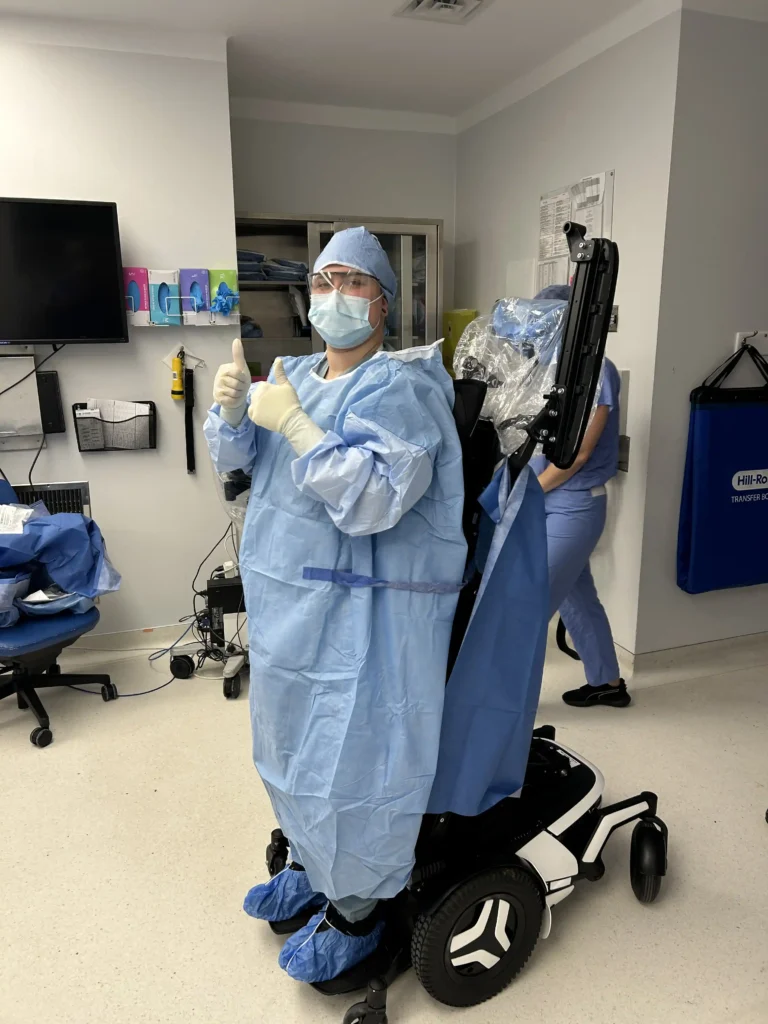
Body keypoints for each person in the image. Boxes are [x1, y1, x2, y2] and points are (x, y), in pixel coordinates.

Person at [204, 227, 467, 983]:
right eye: (324, 281)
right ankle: (310, 861)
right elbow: (239, 469)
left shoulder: (405, 389)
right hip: (288, 607)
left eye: (354, 282)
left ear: (383, 303)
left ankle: (357, 906)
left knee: (353, 762)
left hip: (366, 620)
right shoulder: (291, 373)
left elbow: (374, 498)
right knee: (288, 746)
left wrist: (294, 423)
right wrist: (232, 417)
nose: (334, 295)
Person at [529, 284, 630, 709]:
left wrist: (528, 493)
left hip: (574, 503)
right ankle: (607, 683)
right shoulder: (548, 369)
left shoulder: (596, 371)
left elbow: (578, 454)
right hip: (548, 498)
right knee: (577, 597)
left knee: (530, 606)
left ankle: (507, 707)